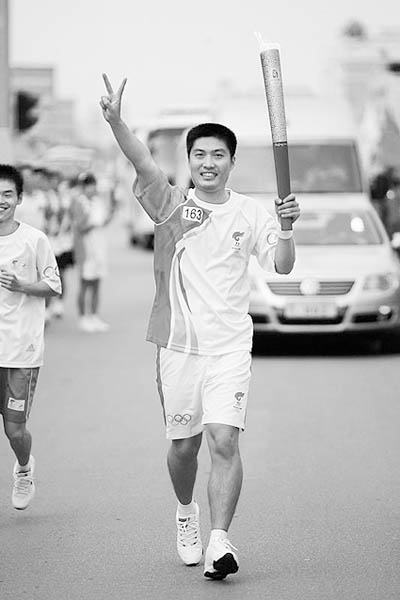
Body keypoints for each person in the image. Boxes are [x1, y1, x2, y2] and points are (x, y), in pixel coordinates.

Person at [100, 74, 300, 580]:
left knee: (224, 441)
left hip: (230, 347)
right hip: (179, 347)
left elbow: (282, 266)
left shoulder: (250, 213)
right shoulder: (170, 205)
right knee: (184, 448)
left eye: (218, 155)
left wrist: (287, 228)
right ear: (189, 161)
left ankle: (219, 540)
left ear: (232, 161)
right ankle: (186, 510)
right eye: (200, 155)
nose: (208, 163)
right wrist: (117, 121)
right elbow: (141, 160)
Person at [0, 164, 62, 510]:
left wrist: (22, 285)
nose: (1, 200)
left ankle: (24, 468)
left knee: (14, 431)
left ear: (19, 198)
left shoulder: (34, 240)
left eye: (7, 194)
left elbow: (54, 285)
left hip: (19, 350)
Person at [70, 172, 115, 332]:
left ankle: (94, 316)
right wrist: (92, 222)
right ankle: (83, 317)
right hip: (85, 249)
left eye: (93, 185)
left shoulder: (98, 201)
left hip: (99, 247)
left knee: (97, 282)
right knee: (85, 283)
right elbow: (79, 226)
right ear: (83, 187)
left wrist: (110, 213)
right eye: (89, 186)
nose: (92, 189)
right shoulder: (79, 202)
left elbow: (104, 221)